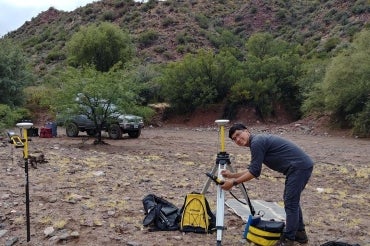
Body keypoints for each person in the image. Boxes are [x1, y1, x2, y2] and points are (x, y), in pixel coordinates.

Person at [220, 123, 314, 246]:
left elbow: (254, 172)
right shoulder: (257, 142)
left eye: (238, 134)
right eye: (234, 139)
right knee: (291, 201)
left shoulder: (257, 142)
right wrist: (231, 176)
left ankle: (288, 240)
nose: (237, 139)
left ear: (246, 131)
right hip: (298, 167)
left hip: (299, 167)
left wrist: (233, 183)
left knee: (291, 202)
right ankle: (300, 234)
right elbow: (252, 169)